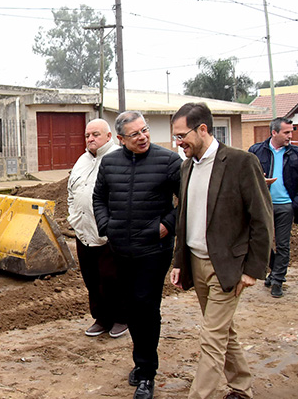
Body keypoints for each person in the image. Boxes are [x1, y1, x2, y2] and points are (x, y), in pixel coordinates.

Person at [170, 102, 273, 399]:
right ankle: (241, 389)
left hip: (227, 267)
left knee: (211, 339)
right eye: (175, 137)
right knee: (223, 332)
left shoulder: (241, 163)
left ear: (202, 129)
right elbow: (184, 218)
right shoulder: (186, 166)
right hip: (197, 264)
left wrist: (254, 269)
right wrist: (179, 260)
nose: (178, 142)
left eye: (181, 135)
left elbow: (262, 219)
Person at [93, 111, 181, 399]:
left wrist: (167, 225)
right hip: (120, 248)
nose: (143, 137)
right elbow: (99, 198)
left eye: (145, 131)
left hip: (153, 250)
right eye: (135, 134)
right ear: (120, 139)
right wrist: (108, 227)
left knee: (145, 307)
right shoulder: (109, 162)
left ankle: (146, 373)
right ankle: (142, 361)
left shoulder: (168, 161)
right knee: (131, 308)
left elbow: (188, 199)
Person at [67, 119, 127, 339]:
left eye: (96, 134)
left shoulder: (118, 159)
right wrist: (73, 216)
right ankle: (101, 319)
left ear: (109, 136)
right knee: (92, 279)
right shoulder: (82, 160)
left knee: (112, 278)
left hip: (109, 235)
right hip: (84, 232)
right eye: (87, 135)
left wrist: (113, 226)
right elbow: (71, 191)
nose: (90, 139)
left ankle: (121, 318)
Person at [249, 117, 298, 298]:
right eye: (286, 132)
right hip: (263, 205)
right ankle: (274, 269)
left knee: (283, 245)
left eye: (291, 132)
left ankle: (277, 280)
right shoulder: (255, 151)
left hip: (286, 206)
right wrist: (261, 180)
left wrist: (295, 204)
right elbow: (246, 176)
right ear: (274, 132)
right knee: (261, 242)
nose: (290, 136)